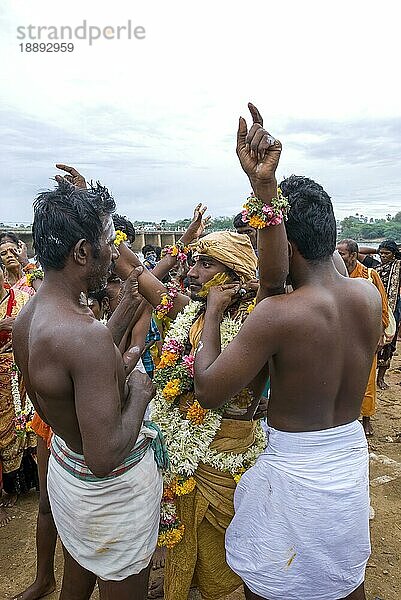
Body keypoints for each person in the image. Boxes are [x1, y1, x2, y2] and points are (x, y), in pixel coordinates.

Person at [193, 104, 382, 600]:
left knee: (276, 583)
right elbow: (291, 266)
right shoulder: (366, 297)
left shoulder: (278, 315)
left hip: (296, 476)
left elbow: (209, 389)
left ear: (283, 244)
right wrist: (267, 195)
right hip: (347, 465)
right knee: (344, 577)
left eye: (258, 237)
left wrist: (212, 313)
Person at [13, 180, 166, 600]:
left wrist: (121, 313)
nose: (113, 252)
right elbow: (104, 457)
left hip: (68, 469)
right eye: (107, 239)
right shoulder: (85, 338)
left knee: (76, 579)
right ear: (82, 251)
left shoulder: (30, 316)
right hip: (107, 496)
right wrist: (139, 391)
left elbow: (60, 387)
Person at [114, 210, 272, 600]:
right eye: (194, 261)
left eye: (206, 263)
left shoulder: (259, 325)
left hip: (229, 457)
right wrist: (94, 212)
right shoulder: (187, 311)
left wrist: (217, 311)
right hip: (185, 453)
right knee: (187, 537)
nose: (192, 272)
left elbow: (211, 385)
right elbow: (136, 272)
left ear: (233, 275)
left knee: (238, 547)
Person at [337, 239, 389, 436]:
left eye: (341, 254)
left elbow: (383, 310)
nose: (338, 257)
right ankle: (346, 417)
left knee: (367, 380)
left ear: (352, 255)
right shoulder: (334, 276)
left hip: (365, 339)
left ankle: (366, 419)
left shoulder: (370, 275)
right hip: (340, 338)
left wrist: (378, 336)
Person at [0, 263, 36, 514]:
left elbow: (38, 327)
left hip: (24, 370)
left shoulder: (23, 298)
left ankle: (33, 482)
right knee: (4, 432)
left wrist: (19, 332)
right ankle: (10, 487)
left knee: (28, 424)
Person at [376, 240, 401, 389]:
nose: (383, 256)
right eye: (381, 253)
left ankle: (381, 378)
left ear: (394, 254)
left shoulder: (398, 265)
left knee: (389, 343)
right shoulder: (376, 266)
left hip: (393, 309)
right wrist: (376, 251)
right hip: (376, 307)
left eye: (387, 253)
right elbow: (359, 253)